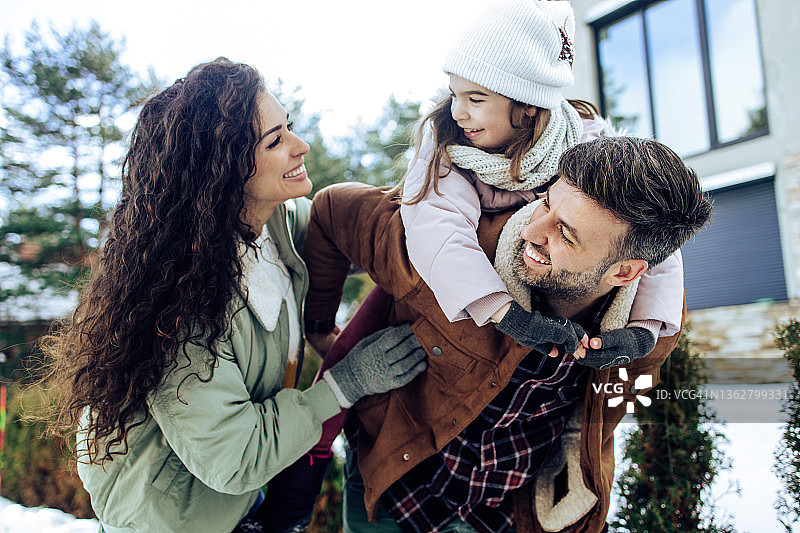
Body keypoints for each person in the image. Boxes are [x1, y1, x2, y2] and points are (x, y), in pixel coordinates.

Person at [39, 58, 426, 533]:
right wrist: (342, 386)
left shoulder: (274, 226)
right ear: (223, 169)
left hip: (235, 509)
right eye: (275, 141)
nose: (301, 147)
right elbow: (234, 456)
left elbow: (355, 227)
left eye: (291, 128)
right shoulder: (179, 307)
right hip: (170, 523)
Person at [301, 135, 713, 532]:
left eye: (565, 233)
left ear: (624, 272)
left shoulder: (652, 323)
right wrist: (319, 328)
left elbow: (637, 378)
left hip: (507, 513)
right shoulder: (444, 253)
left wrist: (583, 439)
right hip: (397, 487)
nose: (533, 231)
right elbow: (332, 209)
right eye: (547, 203)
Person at [400, 0, 682, 368]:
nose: (458, 111)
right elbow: (437, 228)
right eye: (454, 93)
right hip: (474, 334)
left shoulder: (585, 141)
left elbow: (653, 232)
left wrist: (645, 328)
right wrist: (502, 311)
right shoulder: (446, 147)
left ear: (529, 103)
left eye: (476, 98)